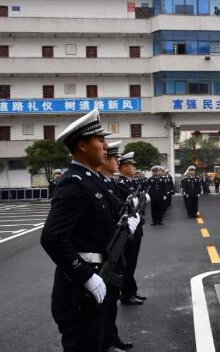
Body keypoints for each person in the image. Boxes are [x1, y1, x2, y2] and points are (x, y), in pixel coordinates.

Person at [40, 109, 139, 352]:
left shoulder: (93, 180)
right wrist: (85, 275)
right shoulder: (73, 183)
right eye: (100, 140)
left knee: (97, 340)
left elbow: (105, 222)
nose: (106, 147)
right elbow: (52, 238)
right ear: (83, 145)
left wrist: (127, 224)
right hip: (79, 289)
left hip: (101, 276)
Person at [97, 141, 137, 351]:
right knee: (104, 305)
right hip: (101, 255)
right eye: (114, 158)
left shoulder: (110, 182)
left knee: (111, 303)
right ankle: (106, 342)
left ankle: (112, 338)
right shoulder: (94, 183)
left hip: (114, 249)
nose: (117, 162)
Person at [116, 152, 147, 308]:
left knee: (131, 262)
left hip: (136, 226)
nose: (134, 167)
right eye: (131, 165)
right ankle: (127, 294)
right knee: (127, 262)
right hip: (128, 228)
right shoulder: (120, 183)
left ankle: (131, 291)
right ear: (123, 167)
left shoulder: (131, 182)